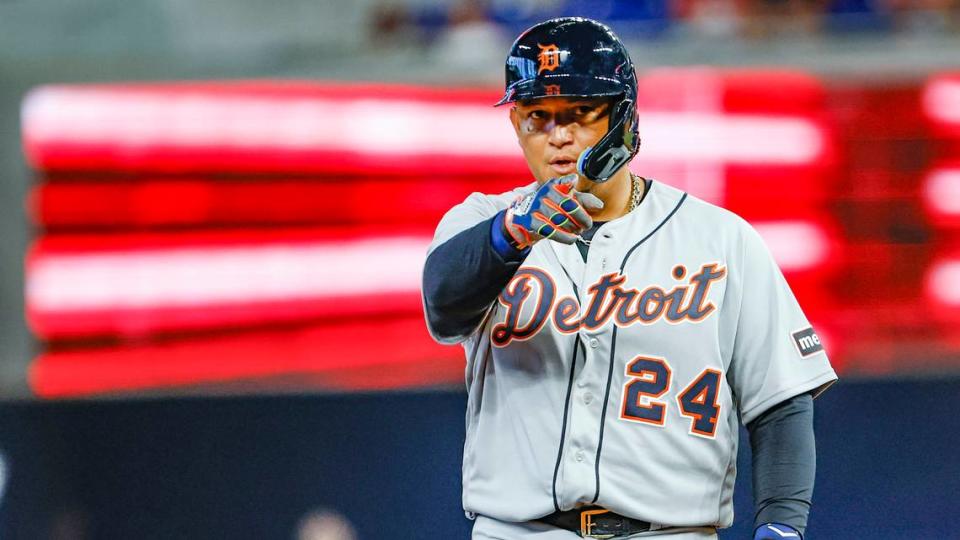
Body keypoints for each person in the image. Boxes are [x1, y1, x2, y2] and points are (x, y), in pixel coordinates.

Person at [421, 17, 837, 540]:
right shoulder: (483, 222)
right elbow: (443, 305)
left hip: (671, 532)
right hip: (516, 530)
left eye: (580, 113)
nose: (560, 137)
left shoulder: (721, 239)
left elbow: (780, 400)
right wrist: (512, 235)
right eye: (537, 117)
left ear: (626, 121)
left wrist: (782, 525)